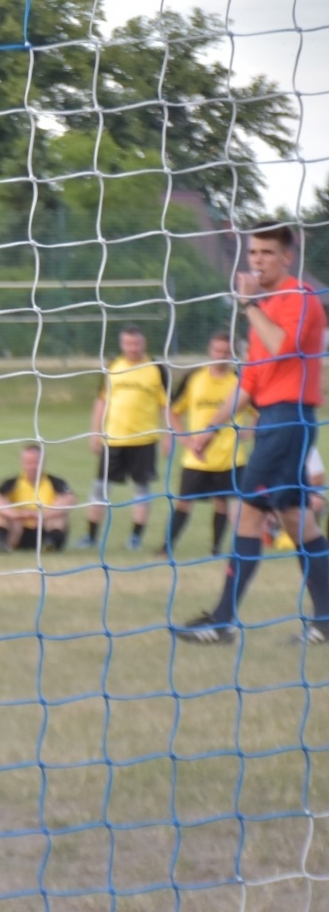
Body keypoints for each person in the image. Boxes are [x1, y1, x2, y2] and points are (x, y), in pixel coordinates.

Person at [177, 225, 329, 644]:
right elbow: (249, 386)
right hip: (272, 423)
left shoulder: (299, 298)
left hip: (289, 421)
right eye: (253, 252)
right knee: (299, 522)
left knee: (249, 512)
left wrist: (247, 304)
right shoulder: (264, 310)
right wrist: (208, 430)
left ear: (286, 258)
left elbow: (281, 344)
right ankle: (326, 620)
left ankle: (222, 621)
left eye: (266, 252)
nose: (257, 260)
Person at [79, 325, 172, 551]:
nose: (133, 348)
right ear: (122, 344)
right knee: (100, 489)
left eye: (136, 343)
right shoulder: (113, 366)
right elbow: (101, 401)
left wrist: (169, 435)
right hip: (113, 440)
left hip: (144, 441)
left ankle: (135, 538)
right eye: (128, 344)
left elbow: (167, 405)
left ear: (144, 343)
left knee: (142, 491)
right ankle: (90, 537)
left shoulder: (157, 368)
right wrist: (95, 432)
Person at [159, 332, 247, 558]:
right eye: (217, 350)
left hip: (229, 456)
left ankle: (216, 549)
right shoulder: (194, 378)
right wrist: (183, 438)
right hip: (196, 457)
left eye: (226, 352)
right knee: (183, 502)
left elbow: (260, 410)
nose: (221, 355)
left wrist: (251, 429)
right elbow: (173, 410)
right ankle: (166, 547)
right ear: (210, 350)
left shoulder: (240, 381)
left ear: (232, 354)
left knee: (222, 502)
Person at [0, 444, 74, 553]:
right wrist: (15, 515)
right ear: (22, 463)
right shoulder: (13, 483)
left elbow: (69, 499)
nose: (32, 467)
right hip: (19, 531)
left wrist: (41, 515)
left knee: (59, 516)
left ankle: (50, 544)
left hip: (44, 529)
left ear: (43, 463)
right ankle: (3, 544)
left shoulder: (55, 482)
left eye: (36, 463)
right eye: (29, 463)